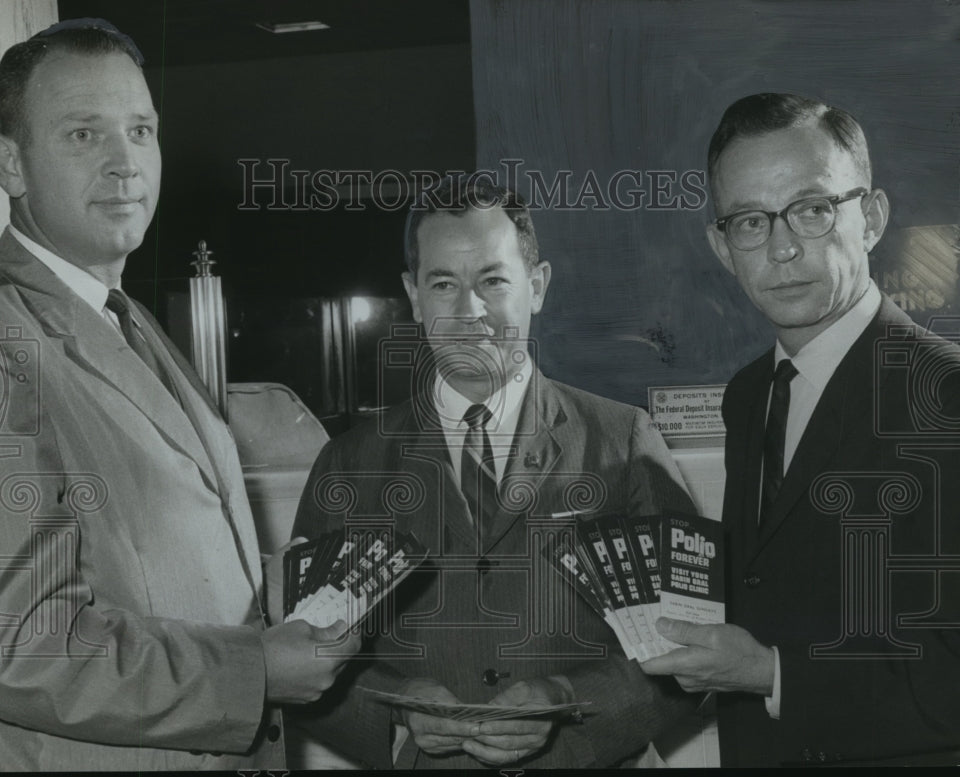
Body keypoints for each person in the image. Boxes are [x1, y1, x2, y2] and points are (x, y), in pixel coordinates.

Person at [0, 20, 358, 772]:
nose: (125, 163)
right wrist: (257, 669)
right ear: (9, 163)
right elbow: (16, 643)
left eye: (141, 130)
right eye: (84, 134)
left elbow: (147, 561)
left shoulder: (129, 319)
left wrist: (277, 586)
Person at [289, 176, 698, 769]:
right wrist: (398, 710)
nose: (468, 311)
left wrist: (568, 704)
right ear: (413, 294)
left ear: (536, 286)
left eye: (492, 280)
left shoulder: (623, 440)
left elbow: (693, 644)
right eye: (444, 284)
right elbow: (298, 659)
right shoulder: (349, 464)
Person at [640, 92, 960, 766]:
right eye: (750, 221)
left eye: (812, 210)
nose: (782, 248)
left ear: (870, 218)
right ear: (722, 247)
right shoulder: (749, 395)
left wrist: (771, 672)